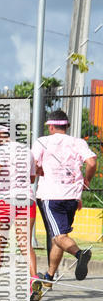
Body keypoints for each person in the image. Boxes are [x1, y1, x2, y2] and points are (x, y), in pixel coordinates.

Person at [32, 109, 97, 288]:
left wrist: (38, 171)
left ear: (51, 126)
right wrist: (87, 181)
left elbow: (34, 165)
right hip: (72, 196)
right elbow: (91, 162)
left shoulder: (42, 142)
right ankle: (50, 276)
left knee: (58, 236)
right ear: (66, 126)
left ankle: (79, 254)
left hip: (50, 196)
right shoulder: (78, 142)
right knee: (61, 236)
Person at [0, 126, 42, 301]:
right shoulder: (28, 152)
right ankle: (34, 280)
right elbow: (31, 179)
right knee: (25, 245)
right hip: (26, 200)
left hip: (5, 200)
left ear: (2, 134)